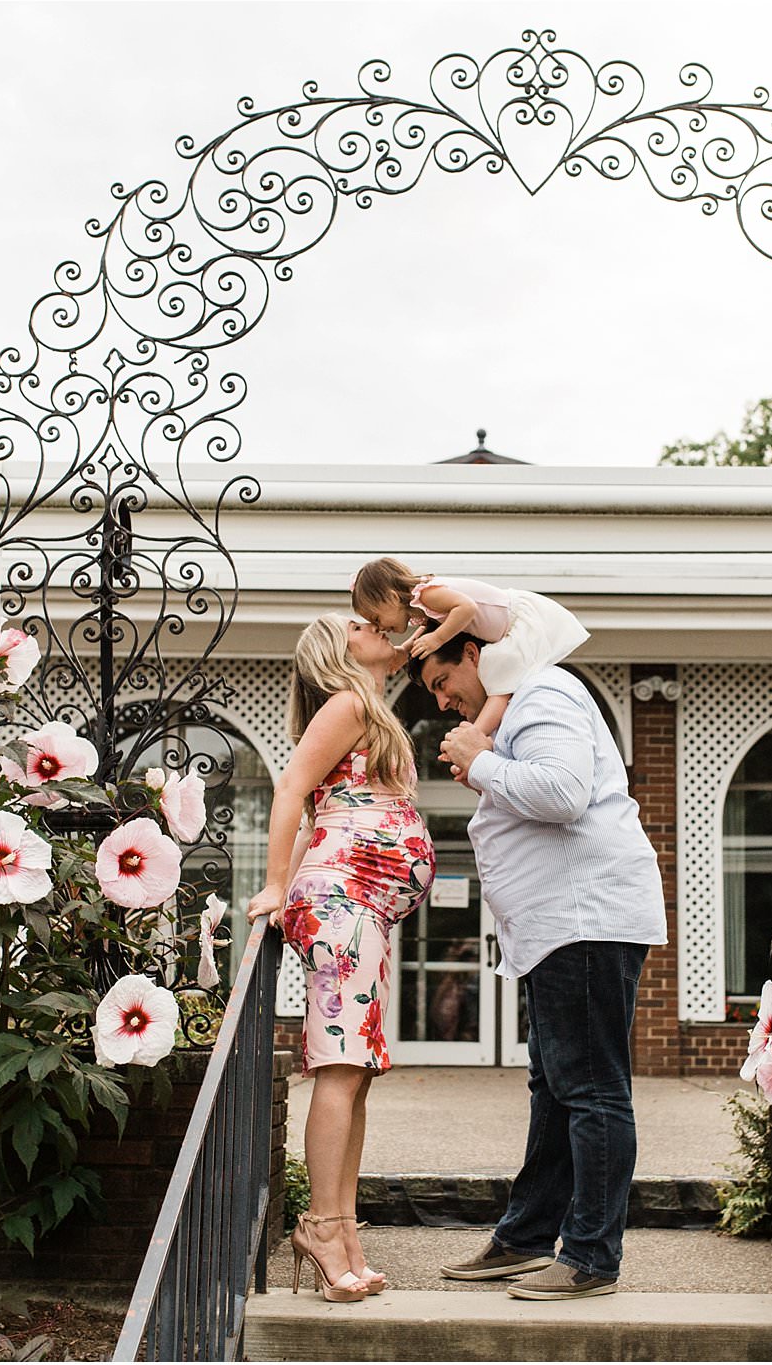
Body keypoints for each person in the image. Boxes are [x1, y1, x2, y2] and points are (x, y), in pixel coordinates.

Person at [412, 632, 666, 1301]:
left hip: (586, 918)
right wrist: (487, 756)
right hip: (557, 926)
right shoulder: (517, 708)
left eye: (442, 682)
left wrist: (483, 761)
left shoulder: (543, 690)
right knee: (555, 1088)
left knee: (591, 1089)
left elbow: (563, 792)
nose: (443, 702)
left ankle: (591, 1255)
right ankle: (526, 1238)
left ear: (473, 654)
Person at [247, 613, 436, 1301]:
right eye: (357, 622)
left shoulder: (370, 706)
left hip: (364, 908)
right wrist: (274, 887)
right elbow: (291, 790)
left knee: (357, 1071)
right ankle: (322, 1227)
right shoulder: (348, 701)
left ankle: (342, 1228)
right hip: (345, 902)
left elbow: (323, 809)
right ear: (338, 649)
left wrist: (288, 887)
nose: (374, 625)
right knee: (339, 1066)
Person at [351, 557, 588, 740]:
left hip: (516, 623)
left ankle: (476, 735)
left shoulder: (428, 594)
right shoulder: (421, 608)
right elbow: (430, 627)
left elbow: (466, 608)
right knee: (499, 678)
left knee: (499, 683)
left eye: (376, 618)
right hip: (504, 630)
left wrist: (438, 639)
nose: (380, 627)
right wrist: (404, 650)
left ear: (392, 598)